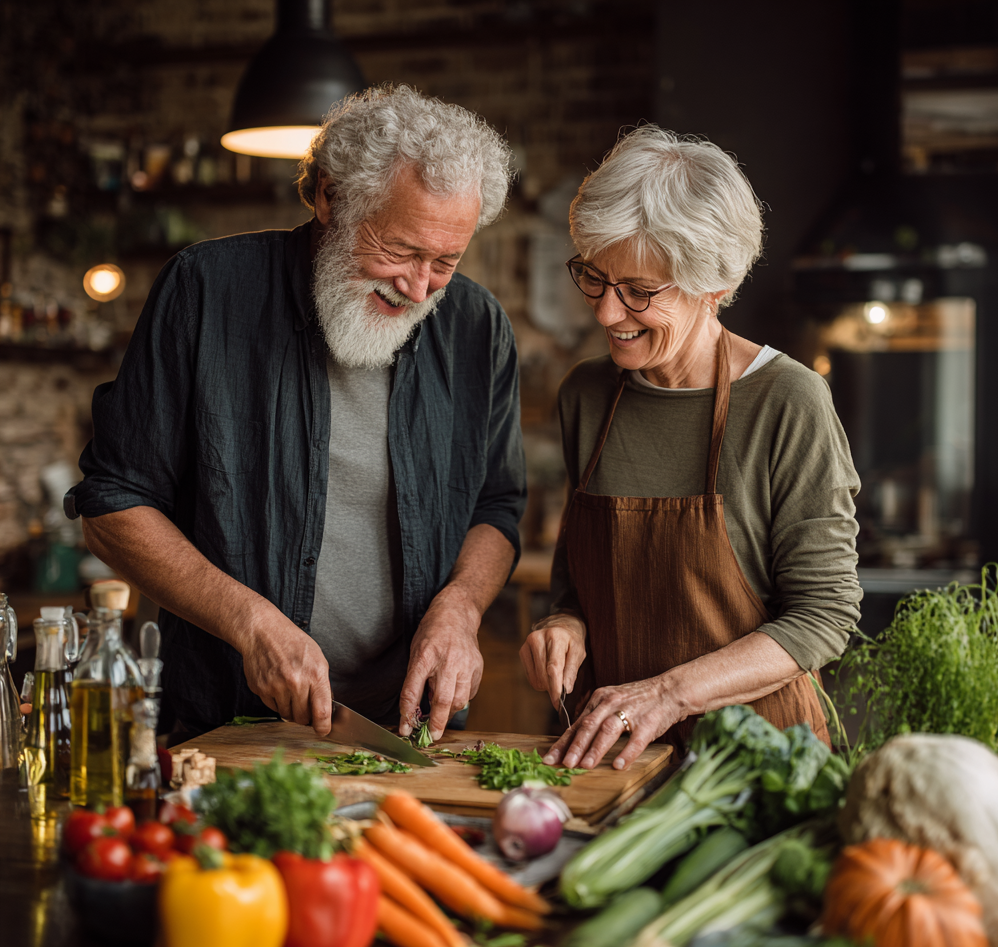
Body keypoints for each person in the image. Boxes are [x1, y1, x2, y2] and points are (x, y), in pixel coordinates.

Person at [67, 85, 526, 742]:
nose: (419, 287)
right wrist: (250, 624)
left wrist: (462, 606)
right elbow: (112, 507)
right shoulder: (204, 291)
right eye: (399, 250)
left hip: (408, 726)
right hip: (224, 723)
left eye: (444, 262)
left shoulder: (478, 328)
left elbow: (496, 507)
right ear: (329, 197)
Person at [520, 127, 861, 772]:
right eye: (595, 277)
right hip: (609, 758)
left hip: (756, 764)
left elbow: (824, 615)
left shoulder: (789, 402)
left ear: (715, 288)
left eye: (640, 292)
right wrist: (564, 626)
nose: (606, 314)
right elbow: (577, 585)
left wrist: (669, 695)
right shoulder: (587, 395)